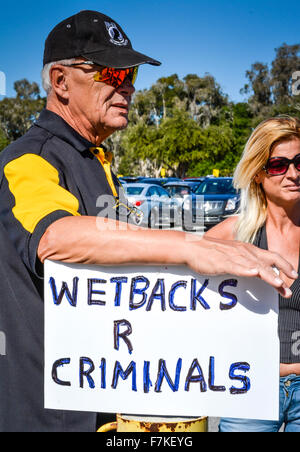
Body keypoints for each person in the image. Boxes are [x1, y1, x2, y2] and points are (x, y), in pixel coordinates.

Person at [0, 10, 297, 432]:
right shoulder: (31, 158)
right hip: (48, 416)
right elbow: (54, 235)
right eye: (111, 74)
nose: (127, 88)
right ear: (60, 82)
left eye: (131, 76)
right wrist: (193, 246)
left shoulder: (94, 159)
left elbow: (117, 251)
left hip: (103, 408)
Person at [205, 116, 300, 432]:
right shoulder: (236, 232)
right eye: (278, 165)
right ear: (258, 173)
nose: (293, 173)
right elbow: (177, 281)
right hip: (249, 388)